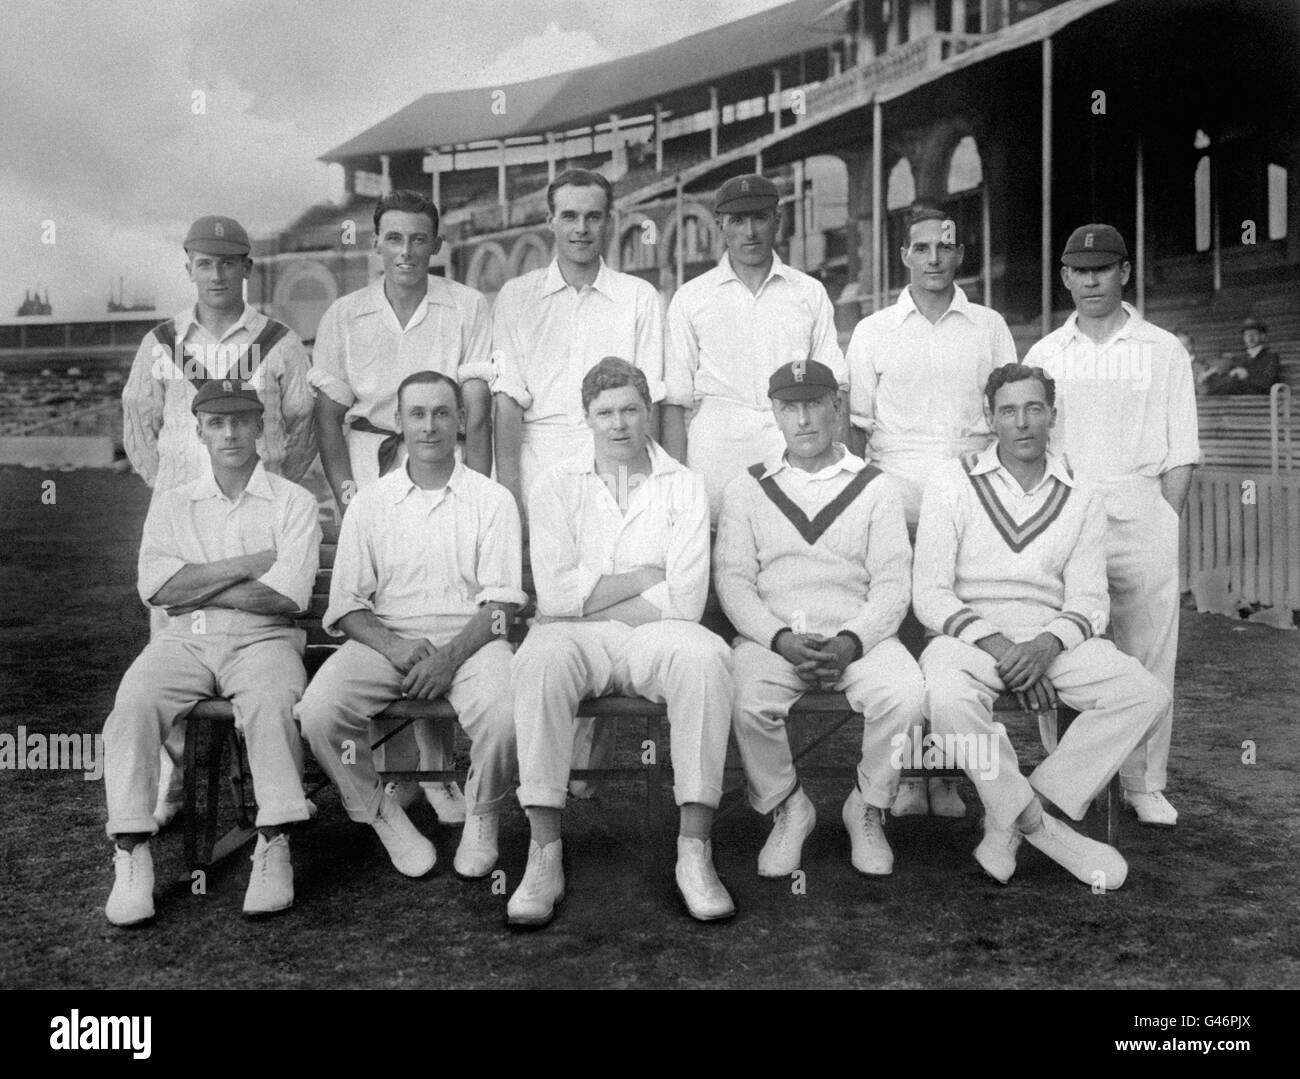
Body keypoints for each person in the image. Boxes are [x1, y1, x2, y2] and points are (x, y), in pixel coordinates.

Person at [913, 364, 1168, 888]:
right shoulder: (952, 479)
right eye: (1008, 410)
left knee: (1142, 692)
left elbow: (1091, 599)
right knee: (946, 698)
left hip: (1051, 636)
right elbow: (931, 594)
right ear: (990, 418)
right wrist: (1011, 651)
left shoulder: (1081, 492)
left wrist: (1045, 647)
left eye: (1034, 409)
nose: (1022, 422)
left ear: (1052, 414)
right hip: (971, 637)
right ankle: (1036, 825)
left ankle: (1020, 816)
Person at [506, 357, 734, 926]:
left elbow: (685, 601)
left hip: (659, 636)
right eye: (604, 412)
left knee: (705, 657)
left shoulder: (684, 484)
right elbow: (553, 596)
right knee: (539, 658)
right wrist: (641, 578)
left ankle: (694, 851)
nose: (618, 424)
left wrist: (587, 602)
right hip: (578, 639)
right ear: (586, 417)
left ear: (649, 412)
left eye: (631, 409)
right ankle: (544, 854)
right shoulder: (556, 484)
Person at [121, 214, 316, 830]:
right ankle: (173, 778)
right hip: (183, 518)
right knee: (170, 653)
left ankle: (272, 803)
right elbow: (137, 426)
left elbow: (302, 426)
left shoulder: (280, 340)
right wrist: (175, 493)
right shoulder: (159, 342)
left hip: (260, 508)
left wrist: (271, 480)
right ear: (189, 268)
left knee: (255, 649)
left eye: (228, 263)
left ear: (246, 269)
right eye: (204, 263)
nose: (216, 274)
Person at [102, 379, 320, 925]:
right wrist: (246, 563)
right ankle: (131, 853)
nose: (230, 433)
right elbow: (157, 590)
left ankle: (273, 844)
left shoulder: (293, 501)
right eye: (217, 423)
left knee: (271, 702)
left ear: (260, 428)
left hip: (264, 637)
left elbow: (286, 596)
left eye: (241, 421)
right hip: (183, 641)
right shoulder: (173, 502)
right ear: (199, 432)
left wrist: (194, 582)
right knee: (131, 706)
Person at [312, 189, 495, 821]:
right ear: (376, 244)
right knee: (390, 599)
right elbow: (329, 417)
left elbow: (475, 404)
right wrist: (345, 493)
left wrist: (477, 485)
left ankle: (437, 771)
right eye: (394, 238)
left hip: (444, 456)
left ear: (437, 244)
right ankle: (395, 779)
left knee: (443, 590)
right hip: (370, 466)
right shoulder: (345, 314)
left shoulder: (467, 305)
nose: (407, 251)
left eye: (420, 238)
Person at [296, 372, 524, 880]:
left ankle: (483, 816)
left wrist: (448, 658)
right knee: (319, 712)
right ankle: (382, 814)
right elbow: (349, 604)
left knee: (507, 713)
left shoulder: (492, 499)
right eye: (416, 414)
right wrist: (395, 647)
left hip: (472, 642)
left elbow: (501, 607)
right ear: (398, 422)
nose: (429, 426)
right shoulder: (370, 503)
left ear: (461, 421)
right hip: (388, 641)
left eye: (442, 413)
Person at [490, 168, 667, 795]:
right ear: (550, 220)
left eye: (593, 216)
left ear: (609, 220)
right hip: (544, 463)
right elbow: (507, 400)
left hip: (617, 455)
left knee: (612, 592)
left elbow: (652, 399)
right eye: (570, 216)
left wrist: (653, 477)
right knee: (556, 603)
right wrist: (509, 487)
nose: (582, 228)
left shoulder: (640, 298)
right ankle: (548, 752)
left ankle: (590, 757)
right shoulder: (515, 297)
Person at [715, 360, 921, 879]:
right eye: (790, 407)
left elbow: (894, 584)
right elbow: (734, 583)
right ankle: (789, 806)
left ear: (836, 407)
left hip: (857, 639)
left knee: (908, 694)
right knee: (743, 698)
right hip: (774, 640)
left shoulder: (876, 487)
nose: (803, 419)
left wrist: (852, 641)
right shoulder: (747, 488)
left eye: (814, 405)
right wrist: (780, 639)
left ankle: (867, 807)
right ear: (775, 414)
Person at [845, 204, 1019, 818]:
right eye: (922, 249)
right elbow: (857, 429)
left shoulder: (990, 325)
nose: (935, 259)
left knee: (952, 635)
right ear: (905, 256)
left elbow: (1005, 415)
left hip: (968, 497)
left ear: (960, 254)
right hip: (895, 497)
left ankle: (947, 775)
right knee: (901, 636)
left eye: (946, 248)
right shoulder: (873, 330)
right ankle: (908, 776)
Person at [1025, 224, 1199, 827]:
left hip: (1140, 502)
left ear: (1124, 272)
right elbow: (1029, 445)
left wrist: (1160, 518)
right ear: (1066, 276)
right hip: (1067, 509)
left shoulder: (1163, 348)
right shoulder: (1046, 354)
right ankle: (1064, 772)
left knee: (1149, 649)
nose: (1091, 280)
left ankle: (1143, 782)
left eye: (1104, 268)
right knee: (1063, 645)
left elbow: (1182, 453)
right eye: (1080, 269)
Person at [663, 173, 848, 518]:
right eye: (737, 220)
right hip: (718, 448)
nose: (749, 232)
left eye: (759, 218)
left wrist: (842, 470)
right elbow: (675, 400)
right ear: (720, 224)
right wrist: (677, 484)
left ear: (778, 220)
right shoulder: (691, 298)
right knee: (720, 549)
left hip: (791, 440)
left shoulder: (808, 292)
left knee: (792, 548)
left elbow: (836, 386)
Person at [1202, 316, 1281, 395]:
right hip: (1238, 398)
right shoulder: (1241, 357)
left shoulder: (1271, 357)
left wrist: (1246, 376)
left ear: (1262, 337)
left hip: (1259, 399)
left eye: (1254, 334)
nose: (1250, 337)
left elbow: (1266, 383)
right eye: (1247, 335)